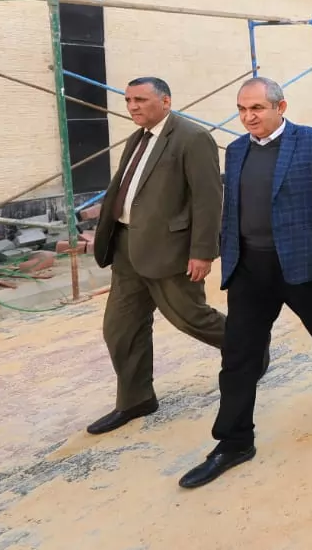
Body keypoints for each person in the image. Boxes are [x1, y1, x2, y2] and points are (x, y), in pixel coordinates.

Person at [178, 78, 312, 488]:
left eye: (257, 109)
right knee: (238, 354)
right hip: (250, 268)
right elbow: (231, 209)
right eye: (242, 109)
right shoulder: (236, 150)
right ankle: (234, 442)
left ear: (280, 107)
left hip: (299, 264)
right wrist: (221, 254)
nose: (248, 117)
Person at [87, 77, 226, 435]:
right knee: (120, 329)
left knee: (191, 318)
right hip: (126, 248)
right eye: (128, 100)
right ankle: (136, 400)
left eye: (141, 99)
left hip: (169, 250)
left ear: (166, 101)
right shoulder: (138, 138)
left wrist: (203, 252)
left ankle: (248, 347)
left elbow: (208, 199)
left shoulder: (192, 138)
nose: (132, 106)